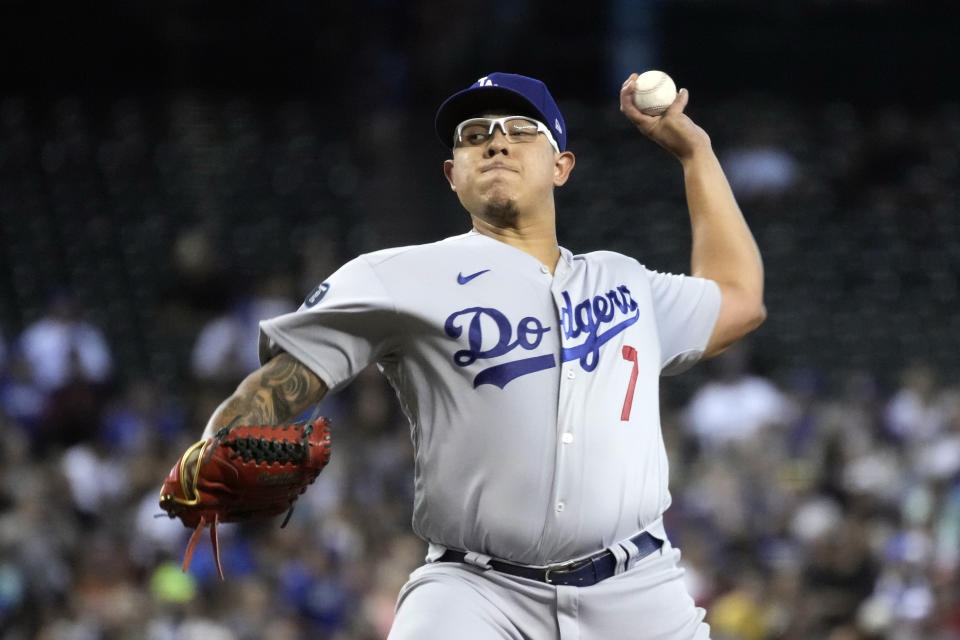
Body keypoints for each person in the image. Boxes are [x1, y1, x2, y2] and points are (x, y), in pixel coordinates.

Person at [191, 72, 765, 639]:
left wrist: (696, 153)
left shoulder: (625, 281)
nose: (495, 141)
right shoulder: (398, 276)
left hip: (636, 589)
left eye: (520, 129)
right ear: (452, 176)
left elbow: (740, 300)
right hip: (476, 594)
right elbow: (280, 383)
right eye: (473, 135)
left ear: (561, 165)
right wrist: (220, 441)